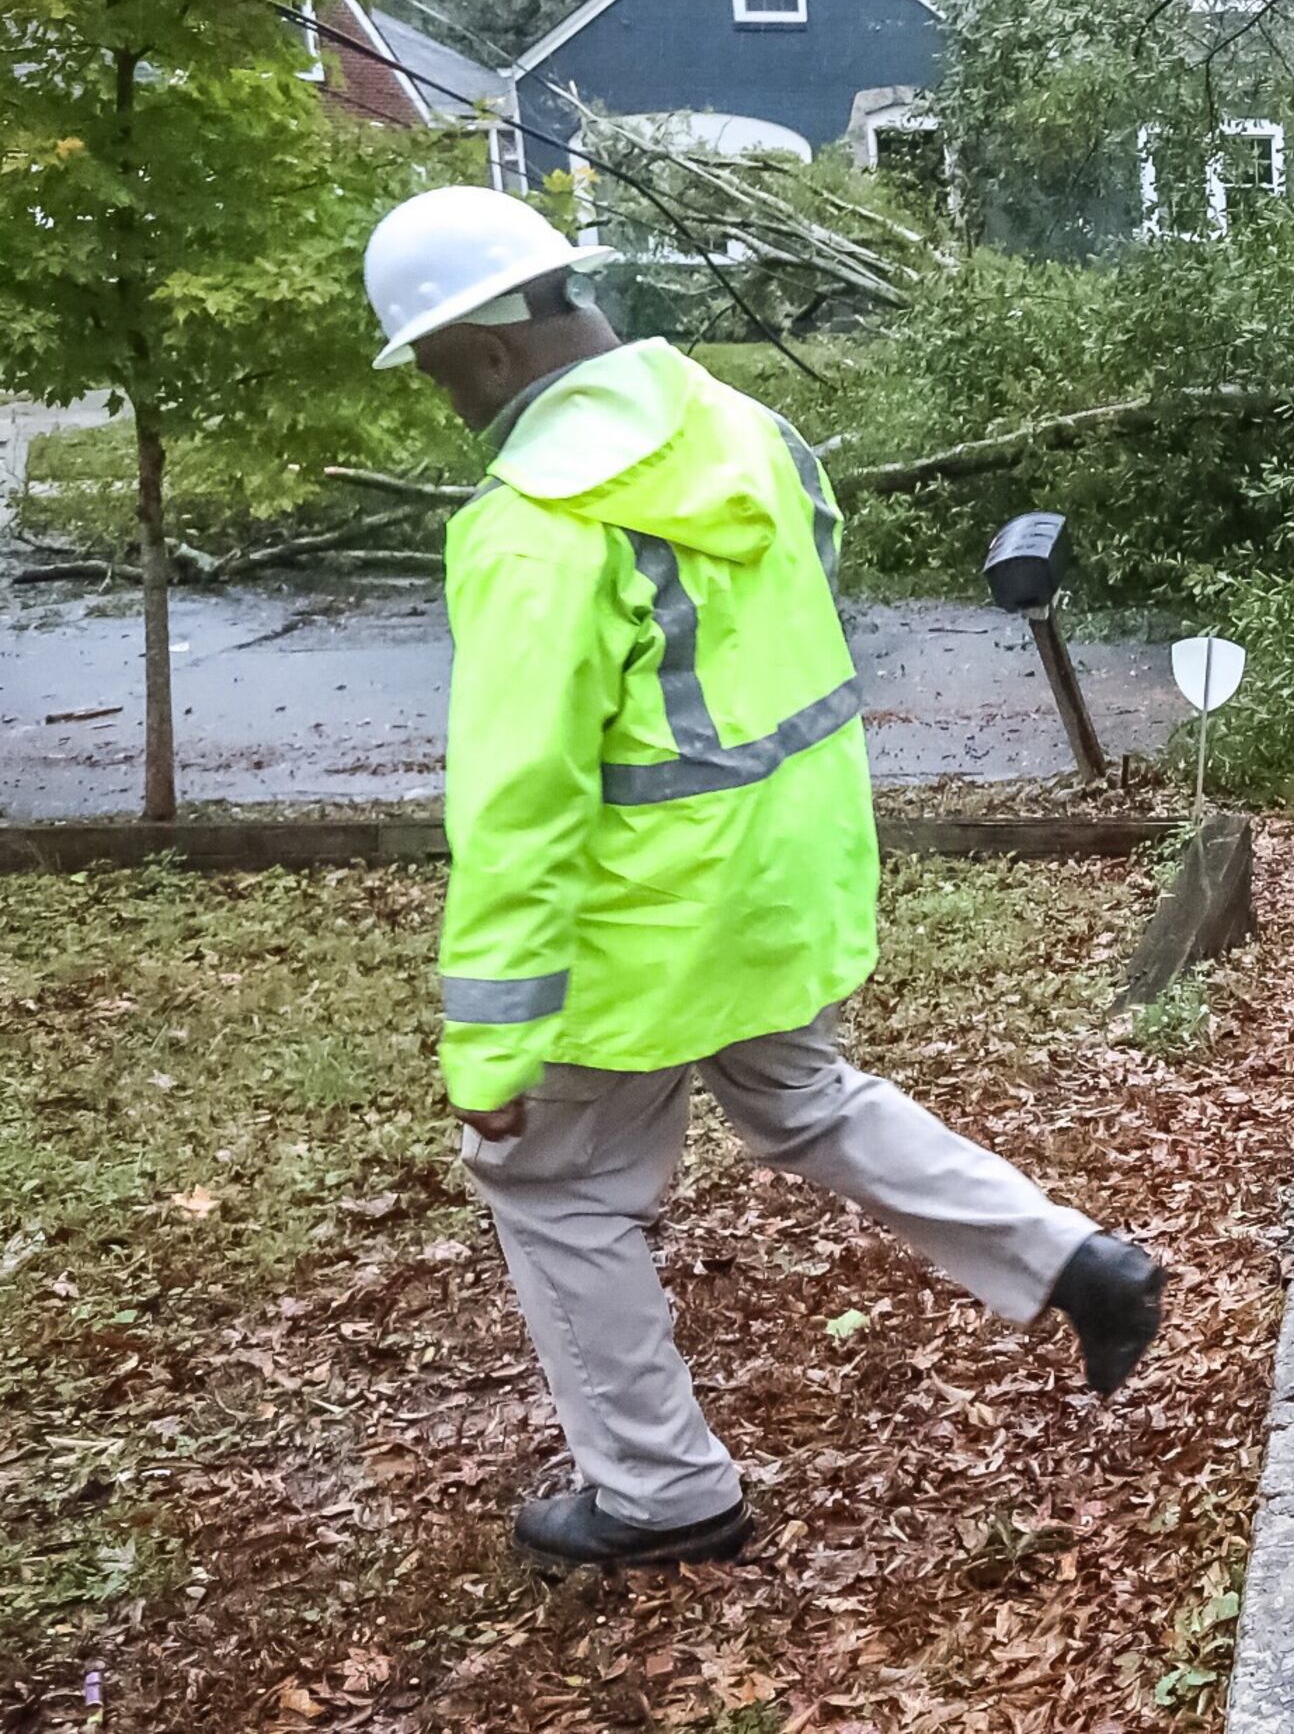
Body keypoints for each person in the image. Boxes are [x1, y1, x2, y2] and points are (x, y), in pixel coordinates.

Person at [362, 187, 1166, 1576]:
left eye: (432, 368)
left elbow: (520, 804)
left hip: (637, 933)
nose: (441, 397)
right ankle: (1072, 1263)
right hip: (785, 879)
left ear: (487, 348)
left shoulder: (533, 526)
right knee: (803, 1099)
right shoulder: (749, 431)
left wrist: (492, 1042)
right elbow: (791, 614)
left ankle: (660, 1492)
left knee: (553, 1188)